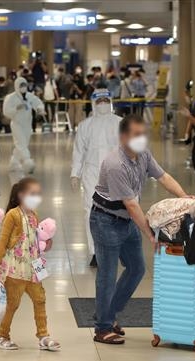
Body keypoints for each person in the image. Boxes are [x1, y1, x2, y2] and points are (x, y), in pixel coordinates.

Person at [90, 114, 191, 344]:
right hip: (105, 220)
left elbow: (163, 177)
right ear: (123, 137)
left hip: (126, 220)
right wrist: (151, 234)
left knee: (137, 269)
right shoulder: (115, 164)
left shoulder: (144, 154)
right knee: (107, 274)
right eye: (136, 135)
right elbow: (132, 204)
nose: (141, 139)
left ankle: (108, 313)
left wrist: (185, 198)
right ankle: (102, 328)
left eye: (143, 134)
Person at [0, 177, 60, 351]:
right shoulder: (12, 215)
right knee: (12, 304)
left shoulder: (34, 215)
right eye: (33, 194)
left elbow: (35, 241)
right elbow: (3, 240)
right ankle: (2, 336)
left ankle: (43, 336)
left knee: (40, 299)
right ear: (21, 195)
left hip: (33, 267)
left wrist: (46, 244)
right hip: (15, 269)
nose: (36, 197)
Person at [70, 89, 122, 267]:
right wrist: (75, 174)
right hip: (92, 173)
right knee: (90, 211)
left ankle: (116, 250)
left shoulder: (120, 123)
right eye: (98, 100)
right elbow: (79, 151)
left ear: (111, 101)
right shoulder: (85, 125)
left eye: (105, 99)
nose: (102, 103)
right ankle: (95, 252)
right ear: (93, 102)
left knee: (117, 212)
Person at [3, 76, 46, 173]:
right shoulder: (10, 98)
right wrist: (16, 109)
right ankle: (28, 162)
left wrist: (40, 109)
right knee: (21, 144)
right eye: (21, 85)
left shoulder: (30, 96)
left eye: (24, 85)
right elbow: (6, 111)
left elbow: (38, 103)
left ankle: (14, 163)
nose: (23, 87)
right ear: (17, 86)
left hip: (27, 125)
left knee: (23, 144)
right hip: (17, 124)